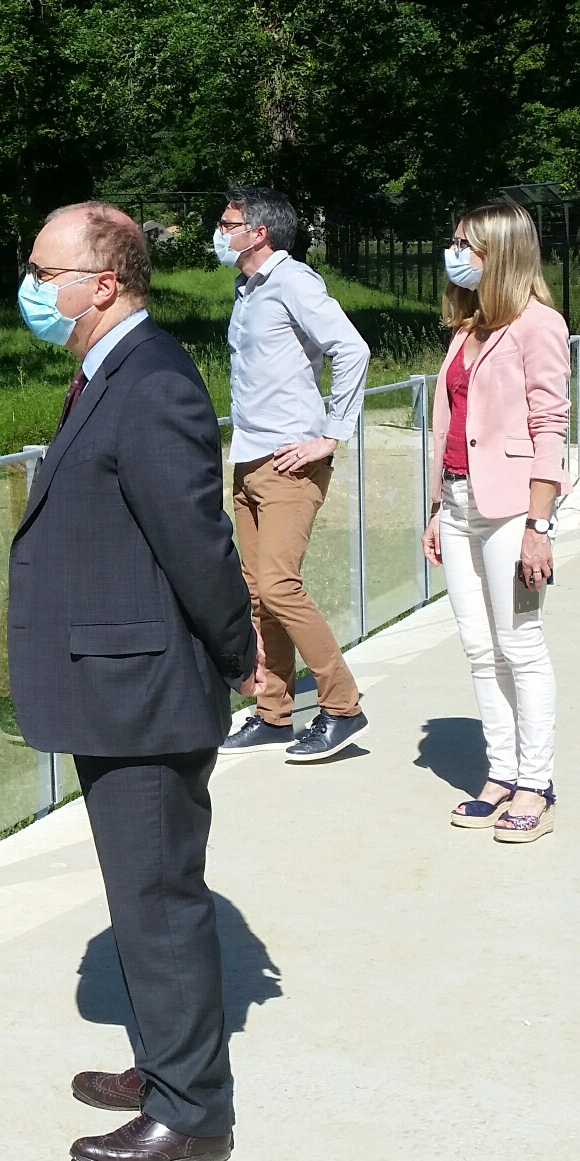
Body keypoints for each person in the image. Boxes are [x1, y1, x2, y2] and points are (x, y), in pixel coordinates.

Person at [7, 201, 261, 1161]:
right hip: (116, 685)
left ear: (100, 285)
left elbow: (197, 543)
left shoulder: (151, 380)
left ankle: (193, 1112)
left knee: (157, 900)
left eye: (45, 271)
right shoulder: (109, 372)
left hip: (145, 691)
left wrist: (239, 653)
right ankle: (164, 1065)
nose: (32, 289)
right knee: (141, 892)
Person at [420, 202, 570, 842]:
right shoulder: (469, 325)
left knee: (520, 646)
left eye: (467, 245)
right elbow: (450, 427)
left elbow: (550, 425)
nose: (455, 254)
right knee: (481, 651)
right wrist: (434, 508)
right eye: (453, 242)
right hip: (456, 506)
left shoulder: (539, 325)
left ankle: (536, 783)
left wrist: (541, 524)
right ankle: (501, 772)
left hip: (511, 510)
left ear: (501, 252)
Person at [218, 185, 374, 759]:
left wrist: (331, 434)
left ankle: (341, 705)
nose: (220, 232)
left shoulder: (293, 282)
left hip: (290, 462)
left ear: (258, 233)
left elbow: (351, 350)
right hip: (250, 459)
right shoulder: (248, 289)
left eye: (228, 223)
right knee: (257, 594)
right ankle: (273, 711)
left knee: (281, 587)